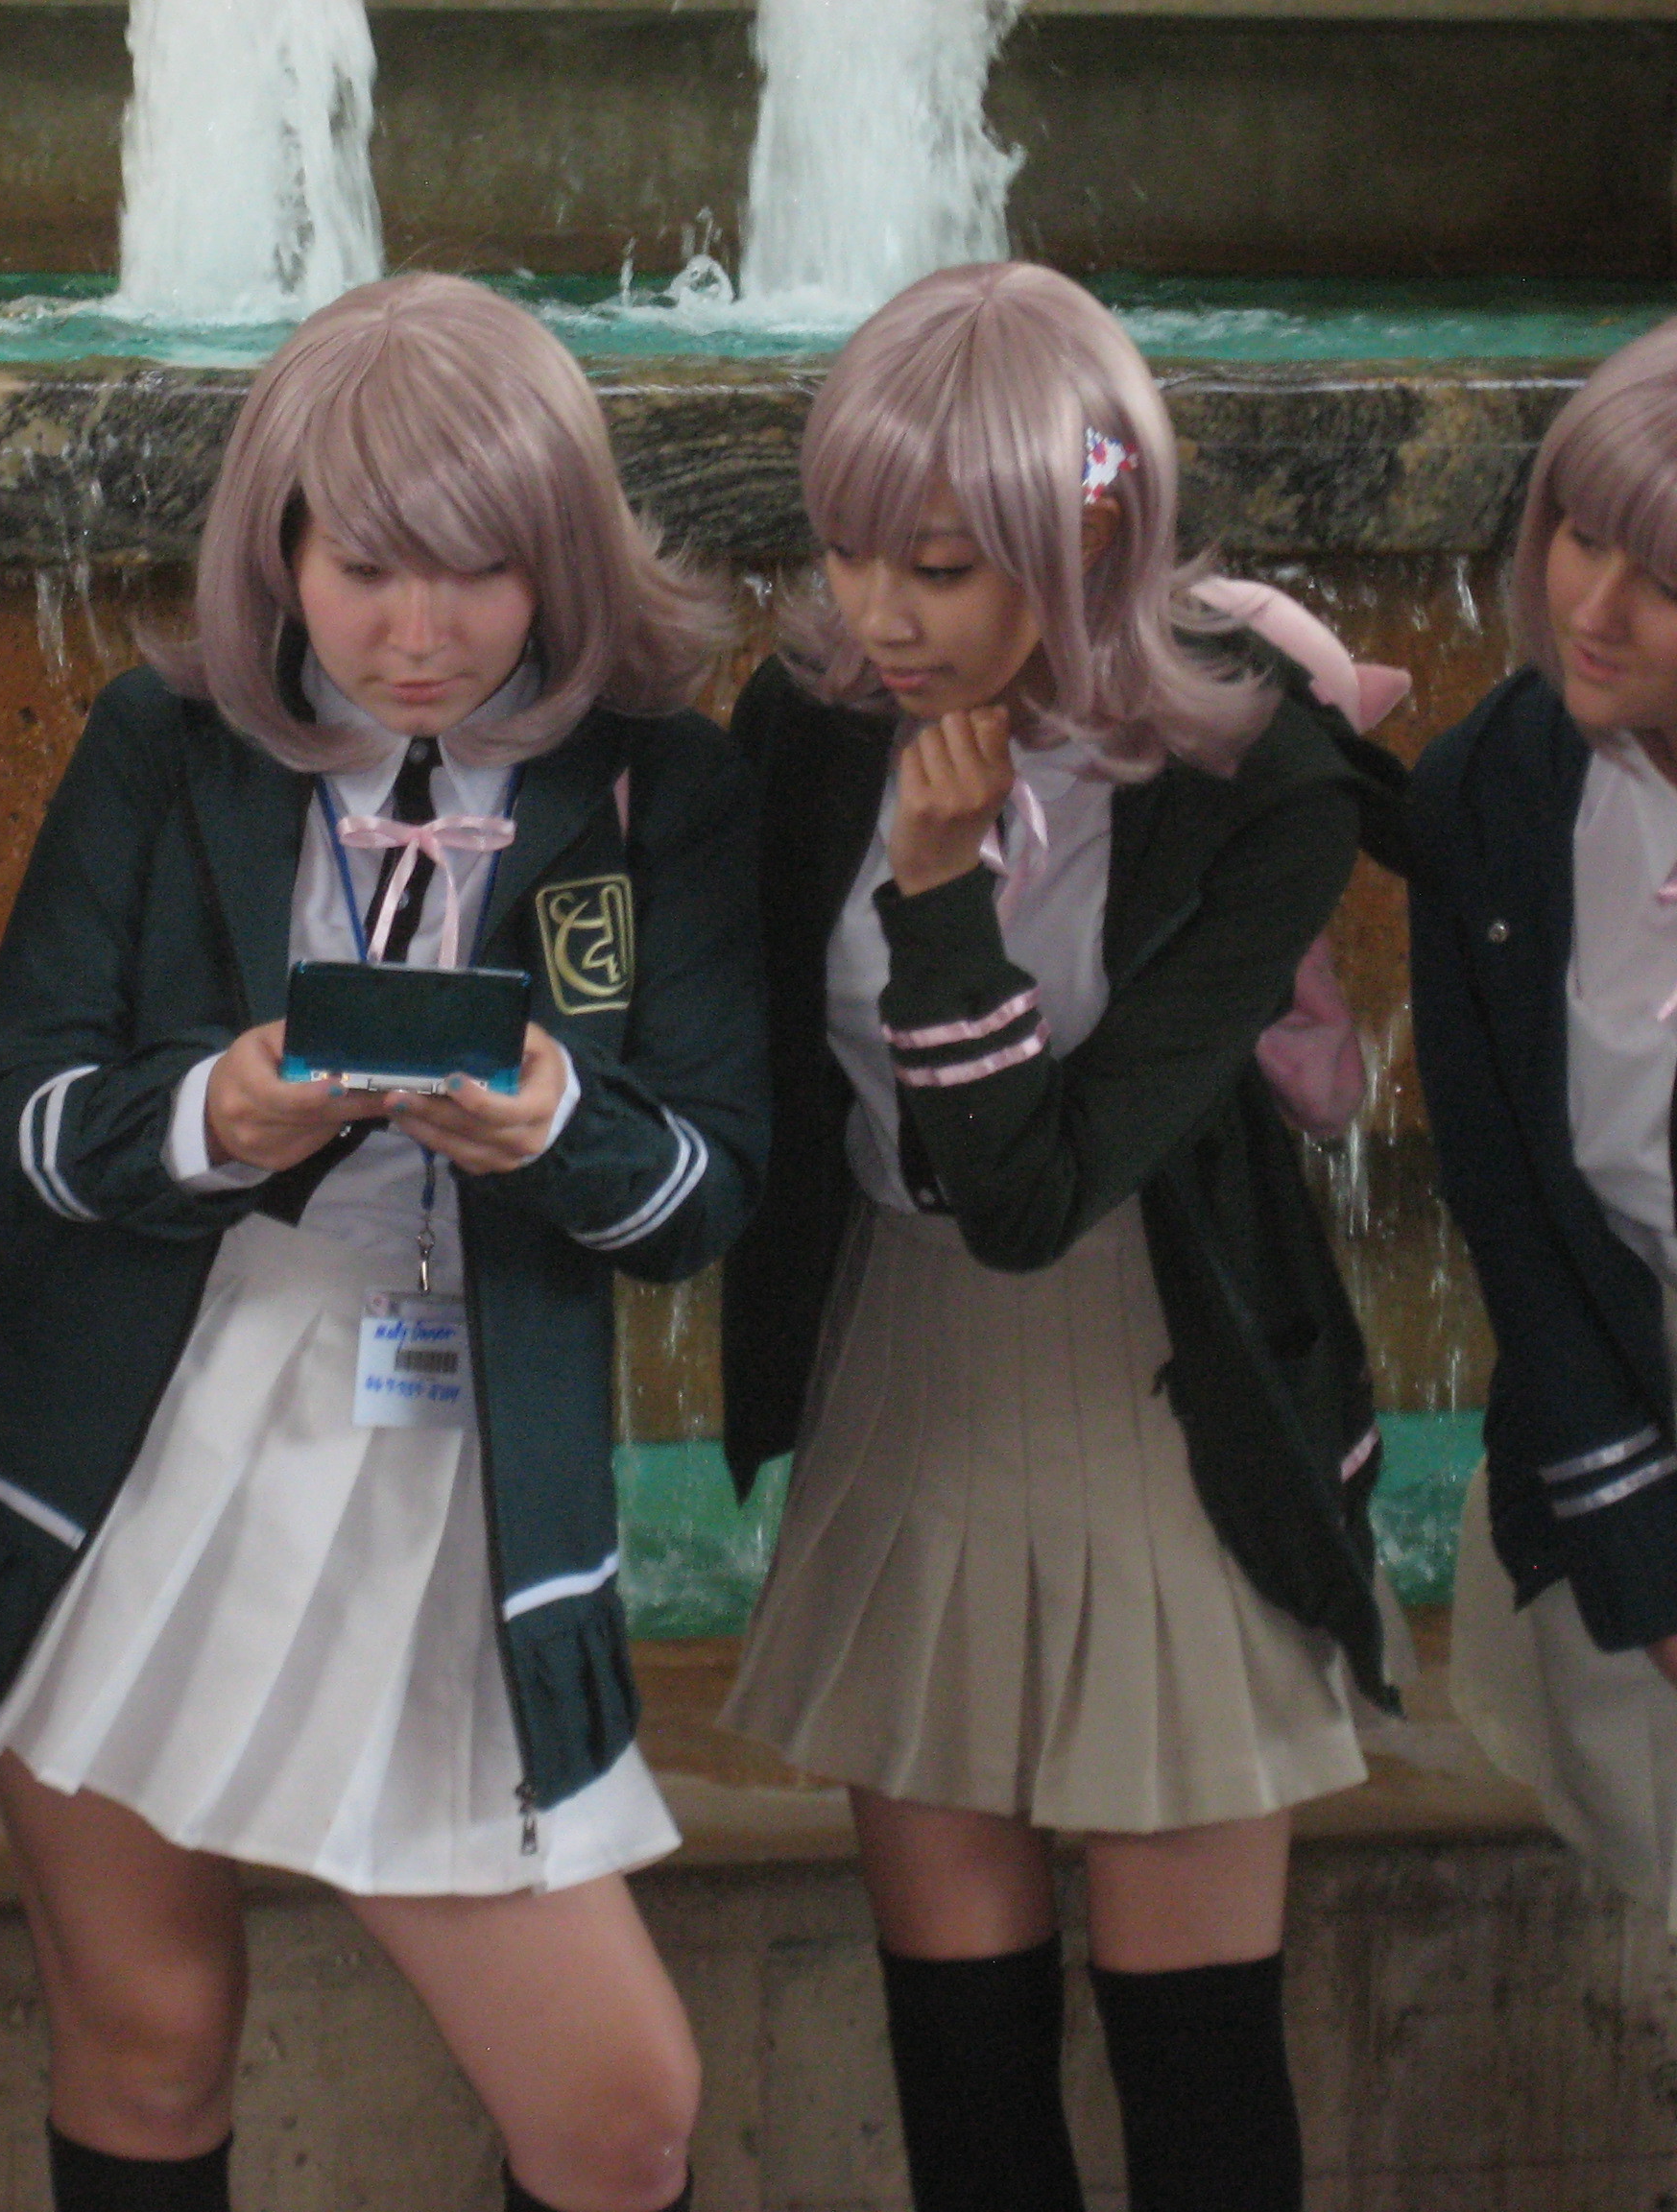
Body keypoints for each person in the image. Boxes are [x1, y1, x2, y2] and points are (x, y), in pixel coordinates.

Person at [0, 272, 769, 2212]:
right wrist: (212, 1118)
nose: (420, 633)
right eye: (366, 569)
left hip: (460, 1487)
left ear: (566, 557)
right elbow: (4, 1119)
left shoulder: (657, 784)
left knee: (620, 2115)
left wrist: (555, 1131)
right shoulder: (167, 740)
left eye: (483, 571)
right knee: (151, 2045)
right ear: (280, 550)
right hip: (120, 1455)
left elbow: (707, 1194)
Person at [713, 261, 1393, 2212]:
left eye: (938, 566)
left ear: (1086, 533)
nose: (877, 617)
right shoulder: (811, 723)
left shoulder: (1260, 782)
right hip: (906, 1378)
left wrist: (941, 900)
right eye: (848, 550)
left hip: (1169, 1395)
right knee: (967, 2069)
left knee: (1200, 2078)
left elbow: (1035, 1190)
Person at [1411, 317, 1677, 1946]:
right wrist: (1644, 1555)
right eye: (1579, 536)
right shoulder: (1488, 791)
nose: (1595, 606)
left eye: (1664, 577)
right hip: (1621, 1396)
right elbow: (1507, 1206)